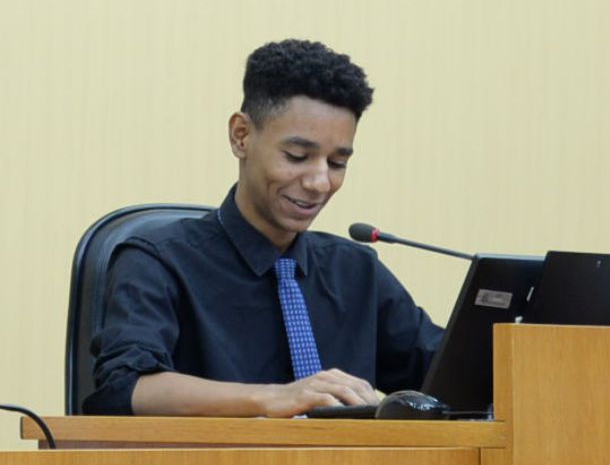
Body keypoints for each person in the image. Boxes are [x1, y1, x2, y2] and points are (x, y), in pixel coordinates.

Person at [89, 39, 443, 416]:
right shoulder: (157, 260)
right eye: (297, 156)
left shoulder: (357, 271)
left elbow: (451, 378)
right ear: (241, 135)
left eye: (337, 163)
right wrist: (275, 397)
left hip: (345, 459)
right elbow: (125, 388)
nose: (320, 182)